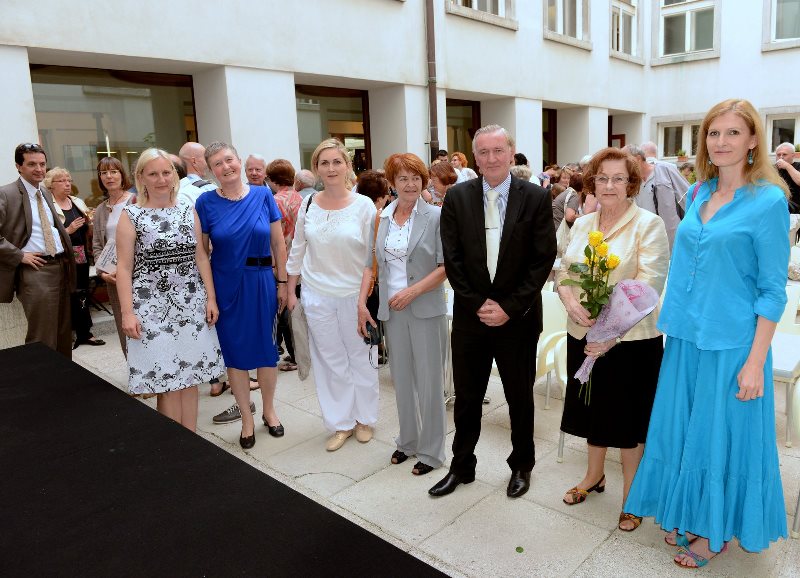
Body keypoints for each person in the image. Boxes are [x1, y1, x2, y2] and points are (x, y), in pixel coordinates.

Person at [625, 99, 791, 568]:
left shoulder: (769, 201)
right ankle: (692, 515)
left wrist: (755, 362)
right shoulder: (700, 191)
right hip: (685, 336)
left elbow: (772, 290)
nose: (721, 142)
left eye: (733, 133)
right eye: (714, 133)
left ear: (753, 140)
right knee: (686, 433)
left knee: (719, 439)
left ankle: (714, 532)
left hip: (733, 342)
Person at [430, 125, 556, 498]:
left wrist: (509, 307)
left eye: (498, 150)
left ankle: (521, 465)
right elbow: (452, 257)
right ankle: (462, 465)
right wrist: (477, 303)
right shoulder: (457, 197)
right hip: (471, 318)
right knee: (468, 399)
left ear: (511, 152)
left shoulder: (535, 197)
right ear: (475, 157)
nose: (491, 158)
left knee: (519, 398)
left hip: (518, 319)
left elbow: (542, 259)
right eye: (483, 152)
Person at [555, 147, 669, 532]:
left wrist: (610, 335)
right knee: (594, 414)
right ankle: (594, 476)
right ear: (592, 182)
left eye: (618, 178)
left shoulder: (648, 224)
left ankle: (632, 495)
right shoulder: (583, 224)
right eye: (602, 177)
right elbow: (565, 270)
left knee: (628, 421)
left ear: (631, 183)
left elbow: (648, 286)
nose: (609, 185)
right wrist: (570, 301)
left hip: (631, 342)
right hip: (583, 334)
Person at [115, 148, 223, 431]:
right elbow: (123, 268)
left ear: (174, 175)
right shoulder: (131, 215)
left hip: (191, 305)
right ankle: (175, 447)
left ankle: (192, 441)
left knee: (190, 379)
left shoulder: (188, 210)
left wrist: (211, 298)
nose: (161, 179)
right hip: (151, 310)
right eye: (153, 174)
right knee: (167, 382)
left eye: (166, 172)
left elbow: (201, 257)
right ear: (141, 177)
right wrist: (127, 313)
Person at [286, 138, 378, 452]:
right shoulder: (308, 204)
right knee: (330, 361)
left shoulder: (364, 206)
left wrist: (363, 301)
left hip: (354, 296)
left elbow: (370, 259)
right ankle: (341, 423)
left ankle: (364, 419)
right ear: (316, 169)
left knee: (361, 359)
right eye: (324, 163)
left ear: (348, 166)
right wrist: (291, 291)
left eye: (337, 161)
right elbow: (298, 248)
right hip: (317, 295)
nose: (331, 168)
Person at [195, 142, 288, 449]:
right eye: (217, 164)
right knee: (234, 356)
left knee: (266, 352)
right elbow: (202, 254)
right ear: (211, 171)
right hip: (226, 286)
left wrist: (282, 282)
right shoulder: (205, 202)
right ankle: (246, 419)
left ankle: (269, 411)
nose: (226, 167)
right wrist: (210, 297)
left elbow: (278, 244)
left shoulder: (263, 195)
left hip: (261, 283)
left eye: (229, 160)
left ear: (238, 160)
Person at [360, 153, 448, 476]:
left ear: (424, 181)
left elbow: (446, 267)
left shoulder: (436, 216)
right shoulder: (381, 218)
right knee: (402, 380)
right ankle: (408, 441)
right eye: (402, 178)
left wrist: (413, 291)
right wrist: (364, 303)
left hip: (425, 308)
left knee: (429, 382)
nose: (410, 184)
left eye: (415, 178)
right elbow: (371, 265)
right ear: (392, 183)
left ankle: (432, 451)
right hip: (392, 312)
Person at [0, 143, 75, 357]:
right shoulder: (5, 194)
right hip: (36, 271)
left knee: (63, 333)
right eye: (32, 164)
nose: (39, 169)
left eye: (42, 164)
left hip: (61, 266)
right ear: (18, 166)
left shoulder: (44, 192)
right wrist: (19, 255)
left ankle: (62, 375)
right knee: (42, 336)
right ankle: (42, 378)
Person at [46, 167, 104, 349]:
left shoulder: (77, 201)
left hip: (80, 253)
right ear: (51, 185)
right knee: (67, 293)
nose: (67, 184)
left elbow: (87, 226)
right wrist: (68, 230)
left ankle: (85, 332)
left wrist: (90, 222)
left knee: (82, 292)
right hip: (62, 256)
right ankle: (69, 333)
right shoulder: (48, 205)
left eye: (69, 180)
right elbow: (46, 235)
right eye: (62, 181)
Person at [91, 156, 134, 355]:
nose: (109, 176)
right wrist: (102, 273)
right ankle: (132, 368)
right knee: (123, 326)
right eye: (104, 173)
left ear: (122, 175)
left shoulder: (136, 201)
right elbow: (97, 245)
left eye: (113, 171)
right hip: (113, 276)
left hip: (138, 273)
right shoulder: (100, 209)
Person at [266, 158, 303, 372]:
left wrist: (273, 265)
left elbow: (275, 238)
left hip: (284, 261)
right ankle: (299, 352)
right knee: (296, 307)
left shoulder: (275, 201)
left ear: (272, 180)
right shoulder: (301, 198)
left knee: (285, 310)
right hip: (302, 261)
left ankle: (295, 355)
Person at [625, 143, 690, 252]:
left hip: (671, 236)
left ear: (638, 159)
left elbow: (687, 195)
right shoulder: (631, 182)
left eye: (626, 161)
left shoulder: (665, 170)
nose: (624, 166)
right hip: (646, 238)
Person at [177, 142, 217, 207]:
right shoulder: (209, 189)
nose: (208, 163)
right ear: (194, 161)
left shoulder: (174, 189)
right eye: (205, 159)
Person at [775, 142, 800, 213]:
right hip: (776, 202)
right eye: (778, 155)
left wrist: (787, 166)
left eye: (784, 154)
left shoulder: (798, 166)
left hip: (794, 205)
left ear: (793, 156)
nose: (781, 157)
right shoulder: (772, 169)